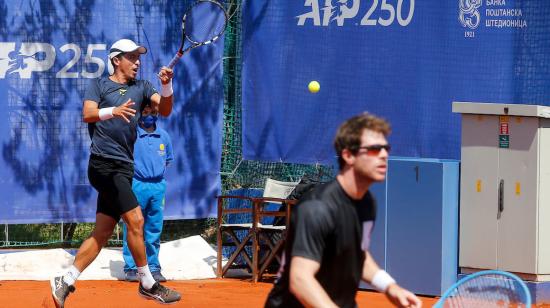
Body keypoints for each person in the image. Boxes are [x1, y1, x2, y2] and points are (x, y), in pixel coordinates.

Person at [50, 38, 181, 307]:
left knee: (102, 233)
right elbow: (88, 114)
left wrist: (166, 85)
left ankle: (66, 280)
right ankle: (147, 282)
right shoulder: (99, 84)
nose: (137, 62)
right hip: (102, 165)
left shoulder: (143, 87)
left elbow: (165, 110)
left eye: (138, 57)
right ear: (116, 60)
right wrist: (113, 111)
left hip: (123, 166)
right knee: (136, 219)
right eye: (132, 57)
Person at [265, 113, 422, 308]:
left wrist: (390, 287)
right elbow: (300, 279)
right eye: (374, 149)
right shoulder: (317, 208)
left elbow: (358, 253)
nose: (384, 155)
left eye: (385, 148)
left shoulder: (366, 203)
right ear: (348, 155)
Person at [122, 102, 173, 283]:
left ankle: (153, 268)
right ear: (139, 114)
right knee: (133, 226)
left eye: (153, 112)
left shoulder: (164, 136)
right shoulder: (132, 134)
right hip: (136, 185)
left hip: (158, 187)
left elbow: (167, 160)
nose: (149, 115)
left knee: (154, 228)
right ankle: (131, 268)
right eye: (145, 112)